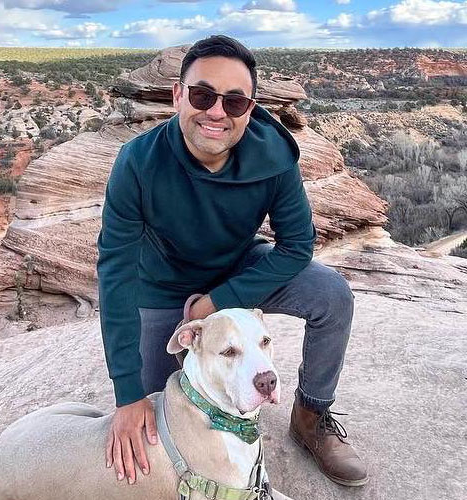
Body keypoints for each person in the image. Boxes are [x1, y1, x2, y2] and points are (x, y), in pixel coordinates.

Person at [96, 35, 368, 489]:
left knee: (331, 294)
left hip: (238, 268)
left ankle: (310, 414)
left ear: (250, 106)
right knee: (157, 415)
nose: (217, 112)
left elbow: (297, 245)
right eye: (202, 95)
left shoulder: (274, 155)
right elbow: (116, 272)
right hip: (162, 284)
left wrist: (220, 301)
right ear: (178, 95)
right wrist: (127, 394)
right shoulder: (138, 163)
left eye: (234, 101)